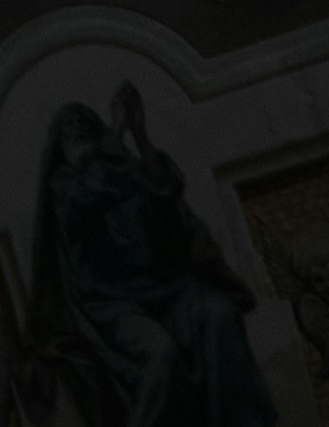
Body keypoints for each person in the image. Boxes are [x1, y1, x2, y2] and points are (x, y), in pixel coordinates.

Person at [29, 91, 279, 427]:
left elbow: (164, 197)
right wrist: (116, 133)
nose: (77, 129)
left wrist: (140, 134)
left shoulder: (123, 166)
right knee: (160, 354)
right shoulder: (65, 186)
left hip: (170, 289)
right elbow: (91, 197)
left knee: (218, 315)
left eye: (84, 122)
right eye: (69, 126)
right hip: (114, 304)